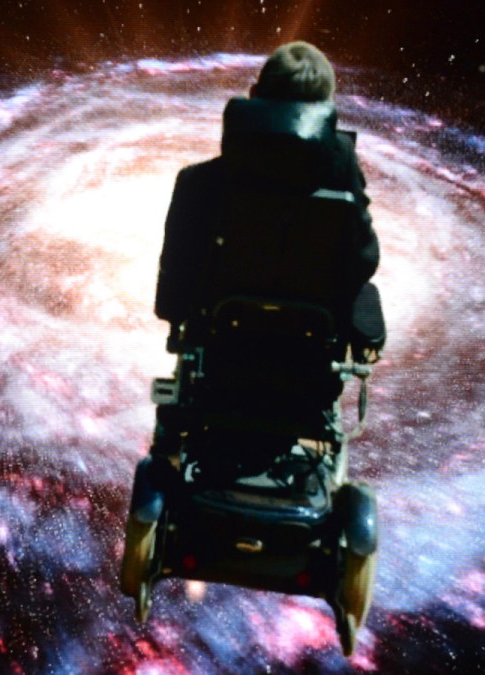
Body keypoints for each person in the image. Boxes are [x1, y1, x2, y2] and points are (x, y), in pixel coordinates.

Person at [150, 41, 385, 467]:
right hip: (307, 370)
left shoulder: (199, 185)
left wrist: (175, 316)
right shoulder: (344, 191)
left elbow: (175, 283)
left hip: (220, 364)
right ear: (325, 112)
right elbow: (363, 263)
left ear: (255, 97)